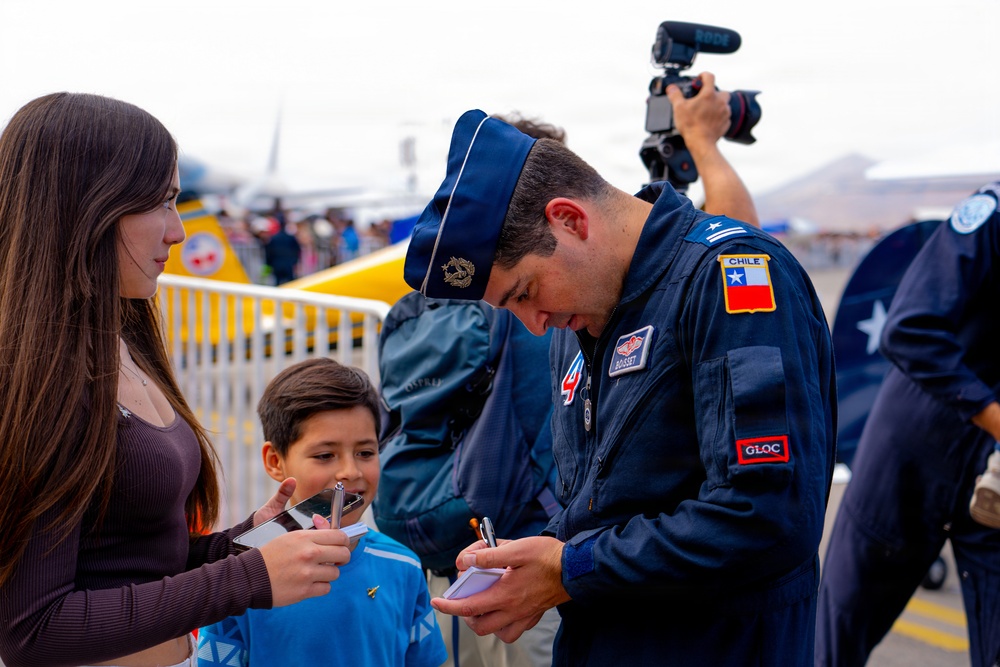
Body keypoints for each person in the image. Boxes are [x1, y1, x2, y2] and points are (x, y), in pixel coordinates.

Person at [402, 109, 836, 665]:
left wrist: (569, 567)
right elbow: (603, 498)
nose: (533, 323)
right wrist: (538, 560)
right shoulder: (579, 311)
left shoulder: (733, 277)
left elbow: (766, 515)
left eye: (526, 291)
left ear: (570, 220)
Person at [0, 93, 352, 667]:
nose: (179, 231)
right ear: (86, 207)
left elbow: (131, 562)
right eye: (161, 202)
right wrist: (248, 579)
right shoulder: (38, 382)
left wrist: (248, 540)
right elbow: (33, 631)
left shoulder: (120, 340)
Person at [816, 183, 1000, 667]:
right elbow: (909, 328)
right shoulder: (990, 216)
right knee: (835, 639)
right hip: (911, 456)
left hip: (993, 474)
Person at [197, 358, 448, 667]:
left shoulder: (404, 565)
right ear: (275, 461)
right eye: (325, 455)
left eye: (365, 452)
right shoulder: (241, 575)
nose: (350, 471)